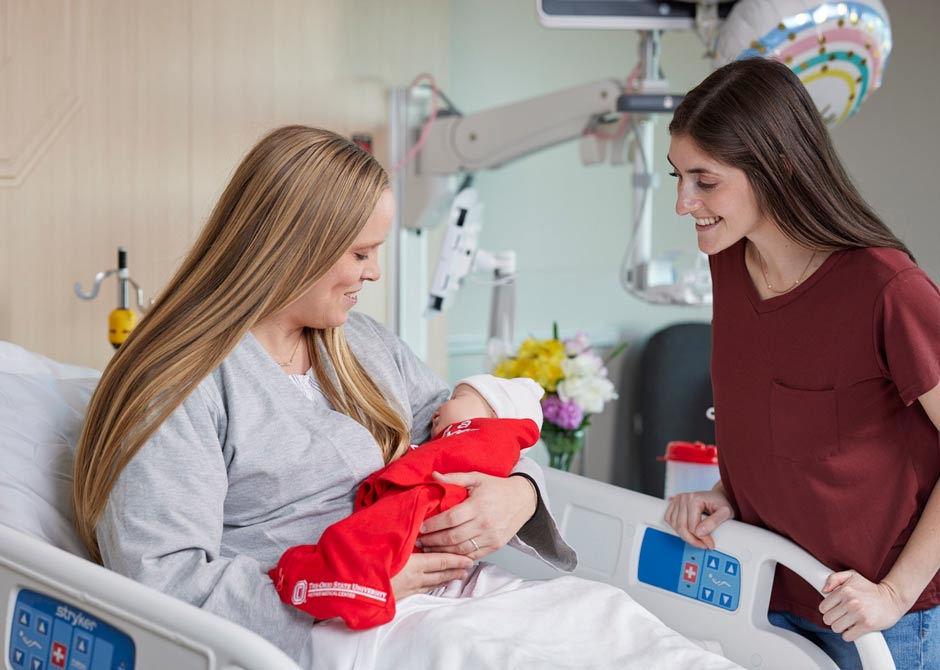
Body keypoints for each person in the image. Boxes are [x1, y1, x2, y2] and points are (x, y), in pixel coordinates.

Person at [73, 125, 741, 670]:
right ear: (290, 248)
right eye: (360, 254)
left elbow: (469, 432)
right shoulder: (178, 382)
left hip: (455, 593)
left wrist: (519, 494)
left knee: (616, 627)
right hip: (332, 627)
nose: (372, 272)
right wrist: (348, 593)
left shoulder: (360, 345)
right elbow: (162, 581)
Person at [663, 58, 940, 670]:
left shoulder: (887, 290)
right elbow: (781, 424)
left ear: (778, 169)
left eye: (704, 181)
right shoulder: (730, 263)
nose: (683, 203)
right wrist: (728, 493)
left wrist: (894, 595)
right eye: (678, 176)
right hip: (768, 591)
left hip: (873, 617)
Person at [270, 375, 545, 630]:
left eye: (456, 398)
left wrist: (523, 490)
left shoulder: (481, 436)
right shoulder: (472, 437)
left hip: (425, 505)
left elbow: (428, 463)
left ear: (494, 415)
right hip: (418, 531)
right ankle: (339, 582)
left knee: (367, 539)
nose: (439, 408)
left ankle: (337, 583)